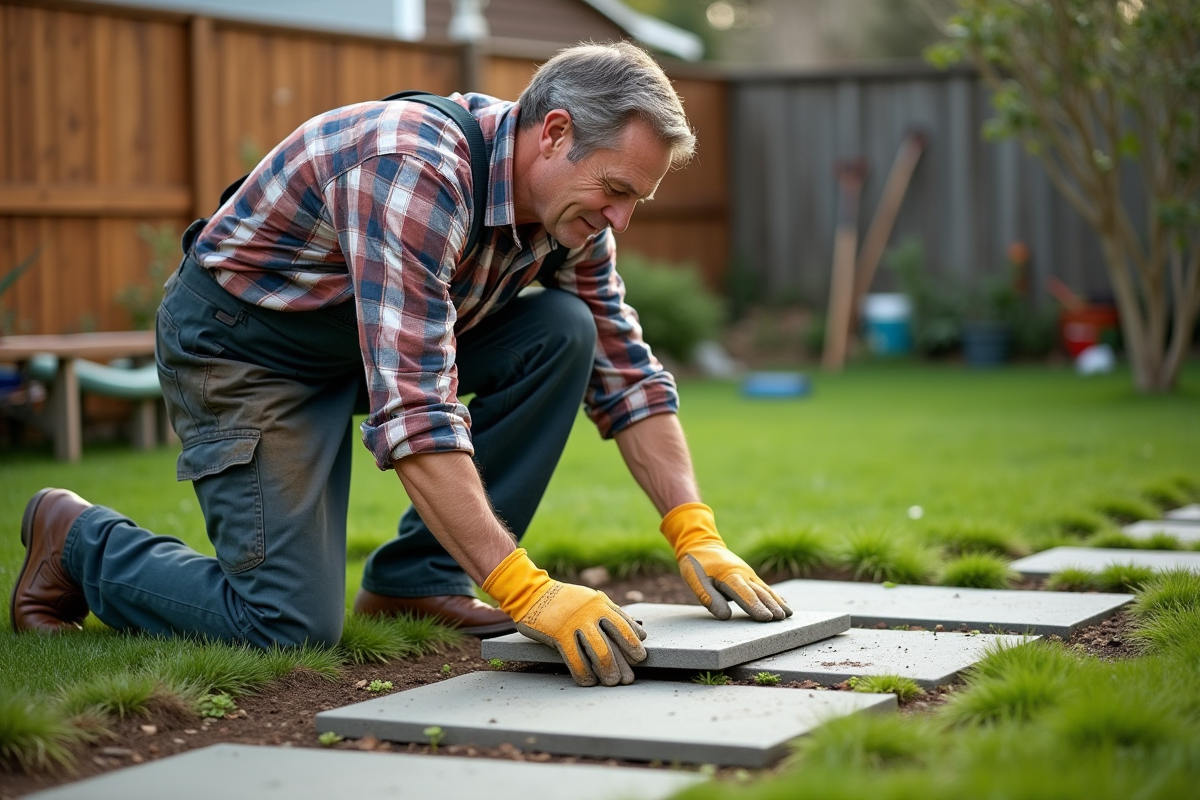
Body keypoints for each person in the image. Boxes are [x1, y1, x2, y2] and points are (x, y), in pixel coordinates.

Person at [11, 42, 790, 688]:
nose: (619, 219)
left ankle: (416, 583)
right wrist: (526, 590)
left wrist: (695, 532)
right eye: (615, 190)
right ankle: (78, 540)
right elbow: (416, 411)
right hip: (245, 348)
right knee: (286, 630)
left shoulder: (571, 223)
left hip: (355, 341)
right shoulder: (413, 171)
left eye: (635, 203)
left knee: (566, 327)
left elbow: (626, 372)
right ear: (553, 133)